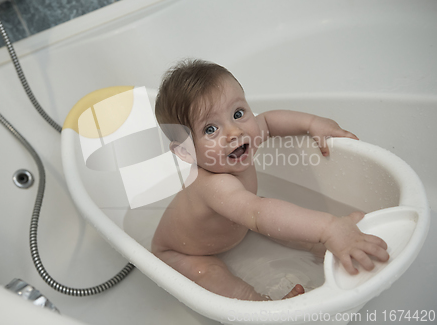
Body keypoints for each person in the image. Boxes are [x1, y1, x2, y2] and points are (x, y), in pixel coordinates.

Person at [151, 59, 389, 301]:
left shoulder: (240, 138)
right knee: (210, 272)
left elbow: (268, 121)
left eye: (238, 113)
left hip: (240, 221)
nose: (234, 132)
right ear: (185, 151)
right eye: (210, 129)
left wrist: (312, 123)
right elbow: (257, 214)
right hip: (185, 253)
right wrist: (329, 227)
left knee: (275, 217)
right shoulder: (212, 185)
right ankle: (261, 306)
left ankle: (319, 247)